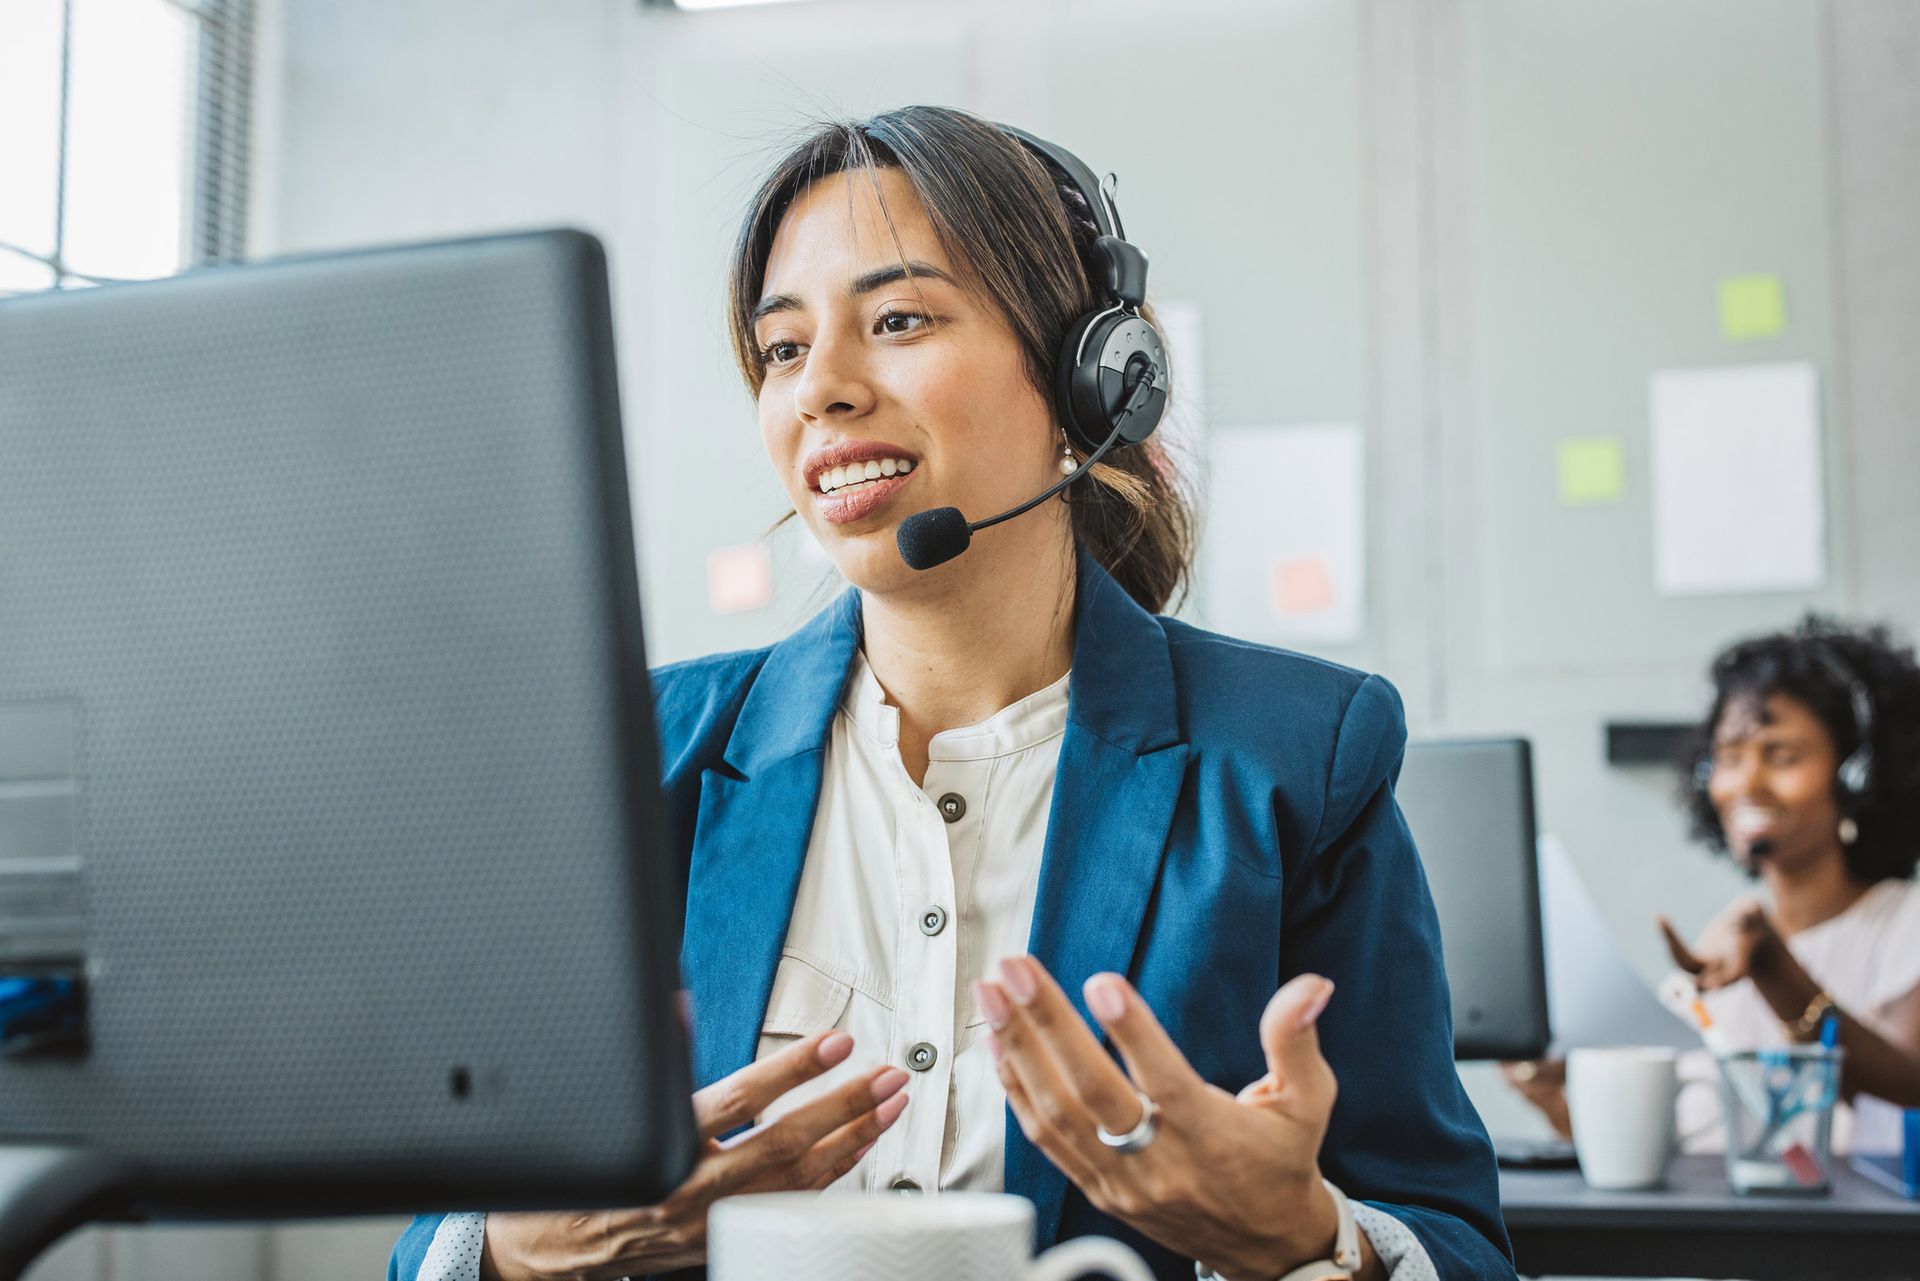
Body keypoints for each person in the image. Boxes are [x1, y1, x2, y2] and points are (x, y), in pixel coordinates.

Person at [390, 106, 1512, 1281]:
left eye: (898, 320)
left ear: (1092, 380)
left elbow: (1457, 1245)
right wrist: (518, 1251)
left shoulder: (1298, 756)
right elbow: (442, 1237)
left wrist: (1310, 1241)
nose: (821, 387)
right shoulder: (637, 758)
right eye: (780, 349)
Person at [1505, 618, 1920, 1152]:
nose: (1746, 782)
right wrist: (1556, 1103)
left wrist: (1775, 967)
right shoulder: (1723, 954)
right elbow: (1687, 1152)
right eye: (1729, 757)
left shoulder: (1903, 926)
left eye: (1782, 755)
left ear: (1858, 775)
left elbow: (1909, 1086)